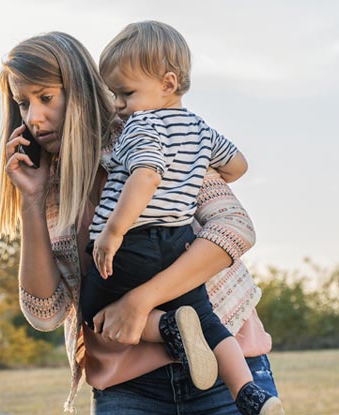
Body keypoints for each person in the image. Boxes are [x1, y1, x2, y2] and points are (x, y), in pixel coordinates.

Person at [0, 31, 278, 414]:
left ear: (79, 90)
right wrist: (30, 200)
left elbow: (234, 227)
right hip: (127, 389)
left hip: (226, 368)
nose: (34, 118)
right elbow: (44, 312)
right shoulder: (48, 190)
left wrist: (139, 303)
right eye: (23, 104)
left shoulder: (150, 132)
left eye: (46, 98)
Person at [79, 21, 282, 415]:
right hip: (178, 244)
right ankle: (249, 393)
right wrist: (195, 172)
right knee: (209, 321)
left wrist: (113, 231)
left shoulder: (141, 126)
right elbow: (238, 165)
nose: (118, 105)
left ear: (168, 83)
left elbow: (146, 174)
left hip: (134, 243)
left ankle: (167, 327)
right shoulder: (200, 130)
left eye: (126, 93)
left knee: (92, 309)